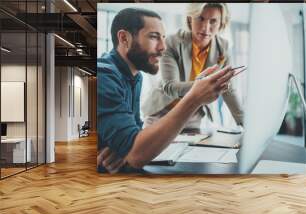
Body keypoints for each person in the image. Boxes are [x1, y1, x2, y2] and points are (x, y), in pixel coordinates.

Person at [97, 8, 236, 173]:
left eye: (163, 38)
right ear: (124, 38)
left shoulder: (135, 75)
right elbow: (136, 156)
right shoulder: (104, 76)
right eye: (154, 37)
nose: (163, 47)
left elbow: (132, 139)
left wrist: (123, 146)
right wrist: (195, 97)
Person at [142, 3, 243, 129]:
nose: (206, 28)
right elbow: (170, 87)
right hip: (162, 112)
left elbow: (228, 90)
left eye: (213, 21)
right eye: (200, 18)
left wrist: (244, 123)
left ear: (221, 23)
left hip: (192, 115)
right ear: (190, 18)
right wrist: (204, 86)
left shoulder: (223, 48)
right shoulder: (171, 42)